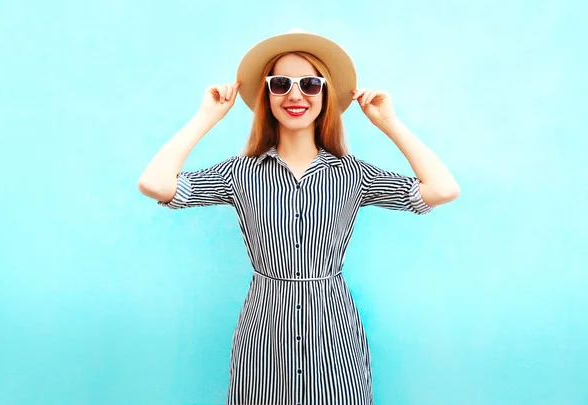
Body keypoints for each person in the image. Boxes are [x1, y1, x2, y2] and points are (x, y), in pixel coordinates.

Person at [138, 28, 459, 405]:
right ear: (267, 96)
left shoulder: (352, 174)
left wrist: (389, 123)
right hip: (264, 333)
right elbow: (155, 183)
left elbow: (441, 189)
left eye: (309, 83)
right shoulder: (240, 173)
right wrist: (206, 117)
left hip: (334, 334)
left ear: (323, 93)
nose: (295, 95)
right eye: (280, 84)